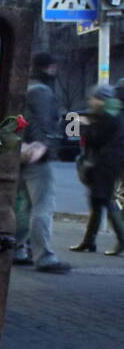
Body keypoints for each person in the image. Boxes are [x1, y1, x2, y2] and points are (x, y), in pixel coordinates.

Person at [15, 52, 70, 273]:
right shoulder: (43, 92)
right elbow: (45, 121)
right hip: (37, 155)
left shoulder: (24, 88)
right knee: (43, 206)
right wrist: (43, 144)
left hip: (20, 153)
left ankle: (17, 249)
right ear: (50, 68)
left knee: (24, 207)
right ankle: (44, 256)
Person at [70, 83, 124, 256]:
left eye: (93, 98)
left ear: (101, 100)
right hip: (110, 163)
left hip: (104, 164)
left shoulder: (107, 116)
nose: (91, 101)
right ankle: (89, 241)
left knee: (104, 200)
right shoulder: (115, 113)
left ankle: (120, 240)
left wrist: (87, 126)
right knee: (97, 201)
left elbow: (96, 139)